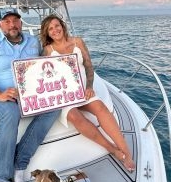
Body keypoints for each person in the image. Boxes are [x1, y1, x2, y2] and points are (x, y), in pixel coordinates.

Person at [0, 7, 60, 182]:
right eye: (7, 21)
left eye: (15, 20)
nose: (12, 24)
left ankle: (20, 162)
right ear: (0, 25)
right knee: (11, 114)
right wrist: (0, 95)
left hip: (29, 94)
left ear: (21, 23)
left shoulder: (33, 42)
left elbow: (44, 64)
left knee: (55, 108)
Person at [40, 14, 135, 172]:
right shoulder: (47, 50)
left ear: (62, 26)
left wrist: (89, 86)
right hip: (64, 96)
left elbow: (89, 66)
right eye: (50, 29)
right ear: (47, 33)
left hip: (83, 90)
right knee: (75, 117)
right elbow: (45, 76)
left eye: (57, 25)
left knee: (101, 108)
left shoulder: (78, 42)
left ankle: (127, 152)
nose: (55, 30)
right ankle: (112, 149)